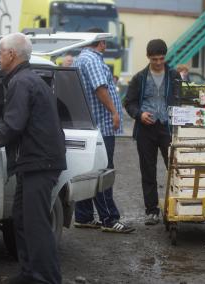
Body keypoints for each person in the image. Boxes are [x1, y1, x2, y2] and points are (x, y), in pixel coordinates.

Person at [0, 32, 66, 284]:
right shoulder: (28, 79)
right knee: (22, 219)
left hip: (40, 162)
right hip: (34, 162)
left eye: (0, 53)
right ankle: (30, 273)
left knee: (36, 224)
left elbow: (13, 125)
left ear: (11, 55)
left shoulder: (21, 83)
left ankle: (47, 278)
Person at [72, 28, 134, 234]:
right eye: (104, 42)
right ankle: (109, 218)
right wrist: (115, 113)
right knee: (103, 171)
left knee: (88, 170)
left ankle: (84, 216)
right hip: (102, 125)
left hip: (90, 125)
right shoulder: (93, 60)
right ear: (100, 43)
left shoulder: (80, 58)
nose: (106, 46)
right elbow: (100, 88)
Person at [124, 39, 180, 225]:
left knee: (174, 168)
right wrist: (139, 114)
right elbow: (129, 102)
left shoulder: (174, 76)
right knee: (148, 171)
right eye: (154, 59)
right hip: (145, 131)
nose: (158, 62)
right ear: (148, 57)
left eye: (161, 59)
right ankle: (152, 210)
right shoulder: (139, 77)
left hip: (167, 128)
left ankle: (177, 206)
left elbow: (181, 100)